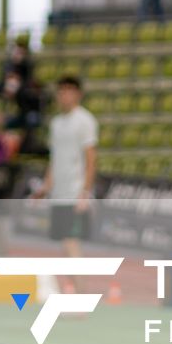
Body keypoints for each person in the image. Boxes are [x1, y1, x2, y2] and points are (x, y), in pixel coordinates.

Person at [35, 76, 98, 276]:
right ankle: (73, 296)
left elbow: (91, 159)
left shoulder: (85, 121)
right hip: (58, 192)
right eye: (61, 91)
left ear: (78, 94)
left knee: (72, 244)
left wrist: (85, 191)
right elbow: (55, 159)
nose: (64, 95)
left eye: (69, 91)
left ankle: (80, 302)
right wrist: (45, 186)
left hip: (74, 191)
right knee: (64, 246)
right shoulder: (56, 123)